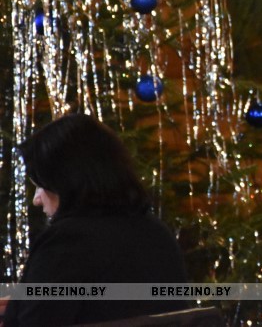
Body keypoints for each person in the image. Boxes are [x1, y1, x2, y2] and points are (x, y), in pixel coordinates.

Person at [1, 113, 190, 327]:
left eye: (41, 185)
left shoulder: (66, 242)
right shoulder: (157, 233)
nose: (37, 199)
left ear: (65, 181)